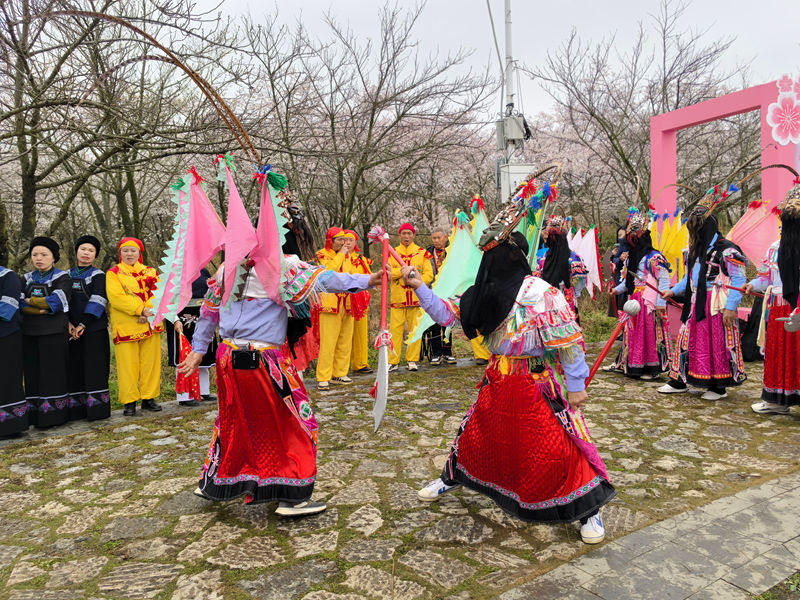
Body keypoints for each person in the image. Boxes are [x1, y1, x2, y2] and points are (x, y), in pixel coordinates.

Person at [405, 192, 615, 544]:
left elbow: (568, 344)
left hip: (535, 383)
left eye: (495, 255)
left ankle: (586, 509)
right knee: (477, 435)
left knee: (556, 446)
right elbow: (447, 314)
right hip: (498, 379)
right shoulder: (482, 293)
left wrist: (577, 386)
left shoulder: (541, 293)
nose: (489, 262)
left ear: (511, 255)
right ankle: (452, 476)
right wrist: (420, 287)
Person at [179, 253, 388, 515]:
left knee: (234, 421)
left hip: (227, 359)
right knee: (298, 423)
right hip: (265, 359)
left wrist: (199, 349)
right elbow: (325, 279)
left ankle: (216, 482)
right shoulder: (281, 266)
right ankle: (293, 496)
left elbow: (208, 314)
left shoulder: (225, 270)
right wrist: (369, 279)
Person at [658, 187, 747, 400]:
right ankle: (680, 380)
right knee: (686, 339)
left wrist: (731, 307)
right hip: (696, 302)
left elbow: (739, 279)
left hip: (716, 304)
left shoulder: (727, 250)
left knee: (716, 343)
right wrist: (673, 290)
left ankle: (717, 386)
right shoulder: (698, 249)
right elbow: (689, 276)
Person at [744, 179, 800, 415]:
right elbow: (766, 278)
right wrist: (752, 284)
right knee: (777, 353)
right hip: (778, 307)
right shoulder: (774, 248)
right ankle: (777, 400)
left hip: (797, 306)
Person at [609, 209, 672, 379]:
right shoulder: (631, 257)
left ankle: (652, 368)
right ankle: (635, 364)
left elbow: (664, 280)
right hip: (635, 300)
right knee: (635, 334)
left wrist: (661, 302)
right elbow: (628, 281)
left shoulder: (654, 257)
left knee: (650, 333)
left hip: (649, 301)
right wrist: (617, 289)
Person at [106, 237, 164, 416]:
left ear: (139, 253)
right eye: (125, 251)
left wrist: (147, 313)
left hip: (149, 324)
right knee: (127, 365)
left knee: (150, 364)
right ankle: (129, 401)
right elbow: (116, 298)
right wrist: (140, 310)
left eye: (133, 251)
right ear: (120, 253)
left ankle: (149, 398)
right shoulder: (113, 273)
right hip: (126, 325)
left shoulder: (151, 272)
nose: (129, 254)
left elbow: (159, 293)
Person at [21, 237, 71, 428]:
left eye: (44, 254)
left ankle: (54, 416)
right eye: (35, 254)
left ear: (54, 257)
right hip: (29, 334)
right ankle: (34, 416)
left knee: (53, 374)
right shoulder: (25, 278)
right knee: (32, 374)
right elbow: (17, 304)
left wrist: (29, 301)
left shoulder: (62, 277)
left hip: (53, 333)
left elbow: (56, 303)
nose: (38, 258)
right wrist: (41, 308)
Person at [67, 235, 111, 421]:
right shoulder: (65, 275)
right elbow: (63, 302)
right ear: (76, 251)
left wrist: (83, 324)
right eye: (83, 249)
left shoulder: (99, 275)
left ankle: (97, 411)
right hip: (71, 331)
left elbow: (98, 301)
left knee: (95, 369)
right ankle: (76, 411)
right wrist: (69, 324)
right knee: (74, 369)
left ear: (95, 255)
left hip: (94, 328)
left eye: (91, 251)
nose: (86, 253)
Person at [166, 268, 217, 407]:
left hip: (203, 316)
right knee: (184, 356)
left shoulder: (204, 271)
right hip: (181, 319)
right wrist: (175, 319)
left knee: (203, 354)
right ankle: (184, 395)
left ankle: (203, 391)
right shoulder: (174, 270)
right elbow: (167, 298)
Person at [315, 228, 358, 389]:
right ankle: (323, 376)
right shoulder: (321, 255)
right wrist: (341, 255)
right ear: (330, 241)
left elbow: (351, 274)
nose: (343, 243)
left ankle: (340, 373)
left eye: (345, 240)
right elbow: (329, 272)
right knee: (328, 341)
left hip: (347, 303)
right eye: (339, 240)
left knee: (345, 340)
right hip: (330, 304)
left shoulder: (348, 257)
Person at [388, 223, 434, 372]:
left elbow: (429, 275)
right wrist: (403, 273)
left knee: (415, 330)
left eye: (409, 233)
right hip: (398, 299)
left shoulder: (421, 253)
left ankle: (412, 360)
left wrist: (417, 281)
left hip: (416, 298)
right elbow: (388, 273)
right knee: (395, 331)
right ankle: (392, 361)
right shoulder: (392, 253)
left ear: (414, 235)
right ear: (399, 235)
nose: (406, 236)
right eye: (403, 233)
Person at [534, 216, 588, 319]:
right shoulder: (574, 258)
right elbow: (581, 280)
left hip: (548, 300)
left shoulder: (542, 259)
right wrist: (576, 293)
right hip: (567, 298)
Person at [423, 226, 457, 365]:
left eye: (439, 238)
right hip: (432, 291)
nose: (436, 241)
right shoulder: (427, 252)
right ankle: (436, 353)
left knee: (448, 322)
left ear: (445, 237)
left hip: (448, 291)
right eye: (434, 238)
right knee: (434, 323)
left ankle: (447, 352)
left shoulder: (452, 251)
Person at [0, 263, 26, 436]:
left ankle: (11, 426)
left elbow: (8, 307)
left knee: (8, 379)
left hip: (6, 336)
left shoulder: (8, 276)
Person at [347, 230, 374, 375]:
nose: (348, 243)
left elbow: (369, 277)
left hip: (361, 300)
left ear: (355, 243)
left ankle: (360, 363)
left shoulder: (361, 260)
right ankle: (341, 367)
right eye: (345, 240)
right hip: (344, 300)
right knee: (344, 335)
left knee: (361, 333)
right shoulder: (337, 258)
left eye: (351, 240)